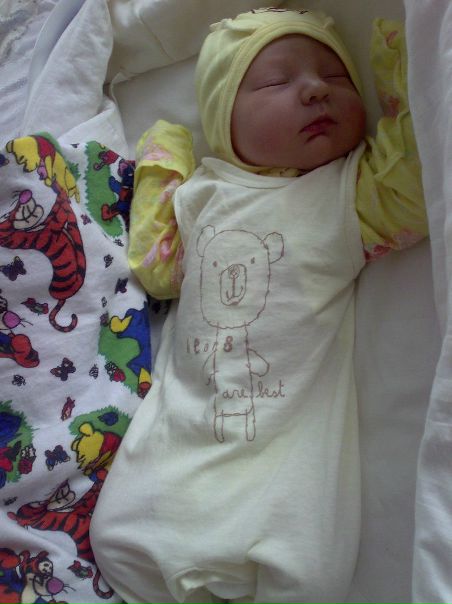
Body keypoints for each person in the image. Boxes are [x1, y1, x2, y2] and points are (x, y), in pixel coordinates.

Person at [91, 7, 428, 604]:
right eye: (276, 81)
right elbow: (158, 269)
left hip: (285, 460)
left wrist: (397, 62)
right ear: (223, 118)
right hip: (181, 436)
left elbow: (412, 193)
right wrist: (163, 163)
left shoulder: (342, 194)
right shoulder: (203, 194)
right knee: (116, 538)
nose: (317, 88)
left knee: (306, 575)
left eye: (336, 77)